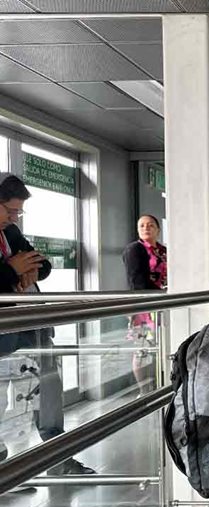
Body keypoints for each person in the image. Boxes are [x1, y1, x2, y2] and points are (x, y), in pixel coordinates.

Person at [0, 172, 95, 476]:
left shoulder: (10, 232)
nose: (14, 217)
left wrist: (22, 271)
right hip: (3, 330)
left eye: (18, 211)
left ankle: (55, 456)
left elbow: (43, 265)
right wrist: (11, 270)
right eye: (9, 210)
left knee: (49, 387)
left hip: (31, 325)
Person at [122, 214, 167, 395]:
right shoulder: (135, 249)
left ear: (157, 229)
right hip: (145, 306)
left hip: (163, 303)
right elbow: (136, 281)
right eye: (141, 226)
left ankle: (159, 384)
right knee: (142, 349)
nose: (146, 228)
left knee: (160, 344)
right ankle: (144, 390)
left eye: (150, 225)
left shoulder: (163, 251)